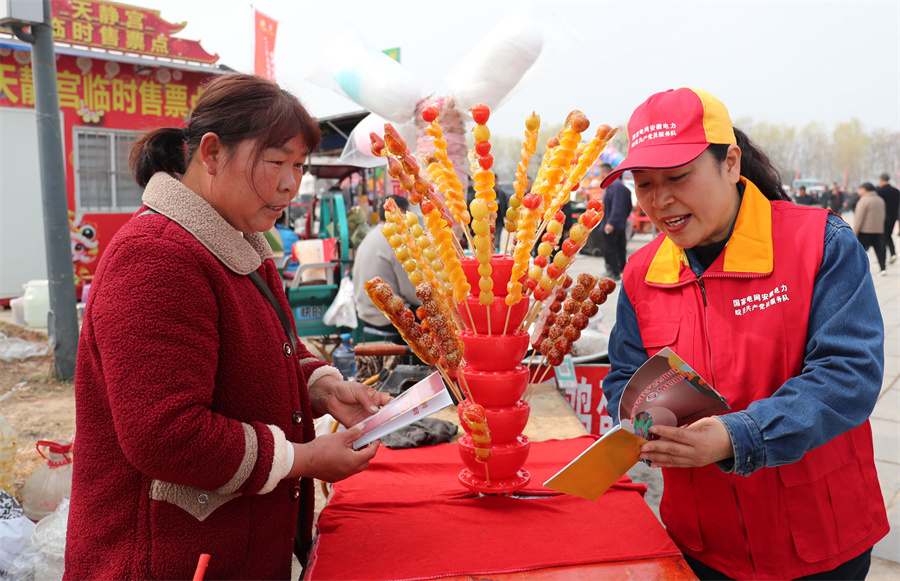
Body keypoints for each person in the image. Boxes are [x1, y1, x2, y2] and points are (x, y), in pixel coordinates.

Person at [64, 74, 391, 580]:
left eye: (299, 166)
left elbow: (270, 347)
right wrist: (303, 460)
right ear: (212, 153)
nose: (290, 183)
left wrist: (324, 389)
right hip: (162, 559)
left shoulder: (237, 240)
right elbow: (166, 435)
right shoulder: (156, 256)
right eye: (276, 161)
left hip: (229, 550)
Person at [599, 87, 888, 580]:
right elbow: (624, 376)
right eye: (644, 184)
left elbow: (849, 375)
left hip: (818, 536)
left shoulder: (818, 242)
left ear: (730, 163)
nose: (660, 200)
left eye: (678, 177)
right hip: (702, 540)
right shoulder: (642, 273)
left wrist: (739, 435)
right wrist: (644, 423)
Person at [352, 194, 422, 339]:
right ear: (400, 212)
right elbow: (412, 294)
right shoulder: (395, 241)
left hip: (364, 314)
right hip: (387, 318)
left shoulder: (371, 235)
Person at [597, 162, 632, 280]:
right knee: (620, 247)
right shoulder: (617, 186)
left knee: (610, 249)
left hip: (612, 224)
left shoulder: (615, 186)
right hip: (619, 223)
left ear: (606, 173)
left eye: (601, 173)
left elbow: (617, 206)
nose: (600, 176)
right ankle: (620, 270)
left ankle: (614, 272)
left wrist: (611, 222)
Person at [855, 182, 888, 275]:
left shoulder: (864, 200)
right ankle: (883, 268)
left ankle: (857, 269)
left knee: (860, 251)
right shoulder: (880, 200)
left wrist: (855, 231)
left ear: (866, 190)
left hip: (865, 230)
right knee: (879, 250)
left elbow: (859, 218)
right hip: (878, 229)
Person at [876, 172, 899, 264]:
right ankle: (893, 253)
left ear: (881, 180)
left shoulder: (880, 191)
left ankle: (883, 259)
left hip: (883, 217)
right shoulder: (896, 191)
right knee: (888, 235)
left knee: (882, 238)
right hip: (893, 216)